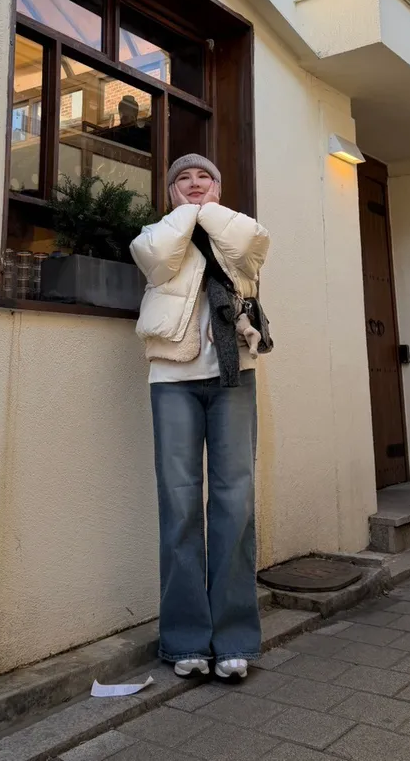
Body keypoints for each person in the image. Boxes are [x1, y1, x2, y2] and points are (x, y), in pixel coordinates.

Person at [130, 154, 270, 680]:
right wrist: (188, 213)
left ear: (220, 186)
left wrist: (207, 211)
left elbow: (251, 247)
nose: (193, 184)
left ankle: (234, 639)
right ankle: (186, 639)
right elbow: (157, 260)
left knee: (235, 501)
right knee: (180, 503)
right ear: (169, 192)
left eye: (203, 177)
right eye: (182, 179)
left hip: (235, 375)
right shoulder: (157, 234)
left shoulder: (238, 232)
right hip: (172, 378)